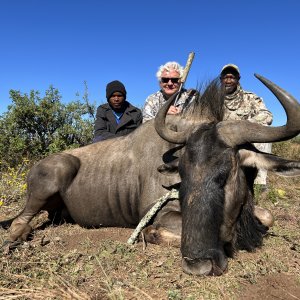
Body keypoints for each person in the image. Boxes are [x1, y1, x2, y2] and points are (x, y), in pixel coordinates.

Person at [220, 64, 273, 190]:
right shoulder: (212, 97)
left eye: (232, 77)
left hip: (244, 140)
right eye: (225, 77)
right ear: (220, 79)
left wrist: (244, 126)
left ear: (238, 79)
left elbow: (267, 116)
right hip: (220, 141)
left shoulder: (250, 97)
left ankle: (260, 181)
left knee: (265, 132)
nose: (228, 80)